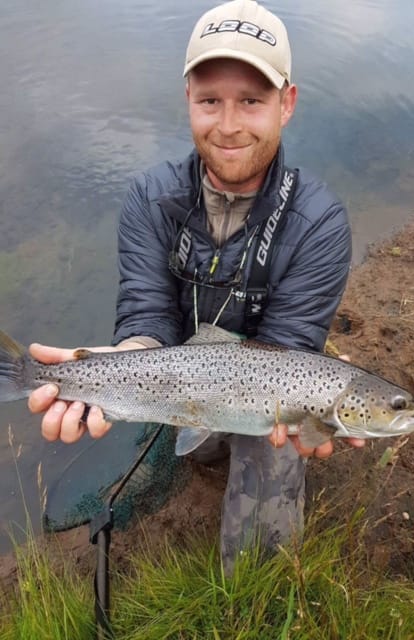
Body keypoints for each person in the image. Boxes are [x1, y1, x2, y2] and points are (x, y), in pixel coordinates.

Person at [28, 0, 364, 571]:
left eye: (252, 102)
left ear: (287, 104)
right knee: (191, 441)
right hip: (173, 378)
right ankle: (201, 445)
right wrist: (127, 356)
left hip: (268, 396)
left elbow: (290, 350)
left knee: (270, 500)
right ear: (188, 98)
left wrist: (299, 416)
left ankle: (254, 596)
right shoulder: (150, 199)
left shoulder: (320, 223)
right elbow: (146, 311)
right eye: (211, 100)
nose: (228, 125)